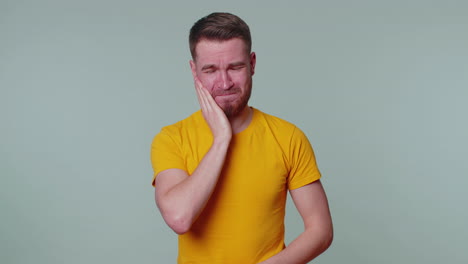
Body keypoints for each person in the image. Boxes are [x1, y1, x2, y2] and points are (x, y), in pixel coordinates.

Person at [150, 12, 333, 264]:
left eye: (235, 67)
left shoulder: (288, 137)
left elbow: (320, 230)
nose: (224, 83)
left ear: (252, 63)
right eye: (210, 69)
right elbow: (179, 217)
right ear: (194, 71)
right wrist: (222, 138)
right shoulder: (172, 138)